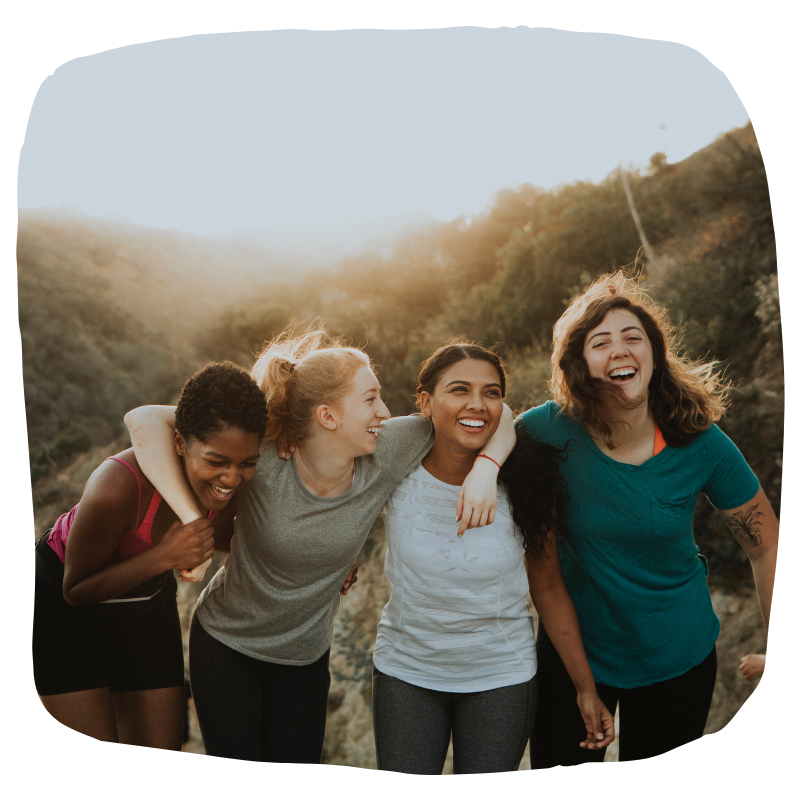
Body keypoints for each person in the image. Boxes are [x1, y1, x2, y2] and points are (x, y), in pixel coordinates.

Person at [123, 330, 515, 763]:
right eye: (370, 400)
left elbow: (498, 413)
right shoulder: (267, 454)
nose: (384, 412)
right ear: (328, 416)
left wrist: (486, 468)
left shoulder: (389, 449)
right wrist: (194, 522)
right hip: (226, 645)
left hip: (305, 659)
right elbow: (144, 420)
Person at [520, 270, 779, 765]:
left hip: (676, 657)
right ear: (579, 364)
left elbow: (766, 545)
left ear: (654, 354)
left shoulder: (698, 440)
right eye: (601, 342)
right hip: (576, 649)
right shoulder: (547, 432)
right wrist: (484, 466)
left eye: (632, 337)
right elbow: (483, 434)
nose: (619, 350)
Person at [371, 343, 615, 774]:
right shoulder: (394, 463)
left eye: (491, 392)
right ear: (425, 402)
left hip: (501, 677)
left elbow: (549, 588)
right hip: (406, 671)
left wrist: (585, 687)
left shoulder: (528, 482)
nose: (477, 405)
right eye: (459, 390)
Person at [33, 362, 267, 749]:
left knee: (163, 749)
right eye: (215, 462)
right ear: (179, 443)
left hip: (145, 601)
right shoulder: (117, 487)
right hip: (63, 607)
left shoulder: (232, 483)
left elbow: (240, 537)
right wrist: (163, 557)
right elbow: (74, 589)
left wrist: (329, 562)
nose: (231, 478)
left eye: (247, 464)